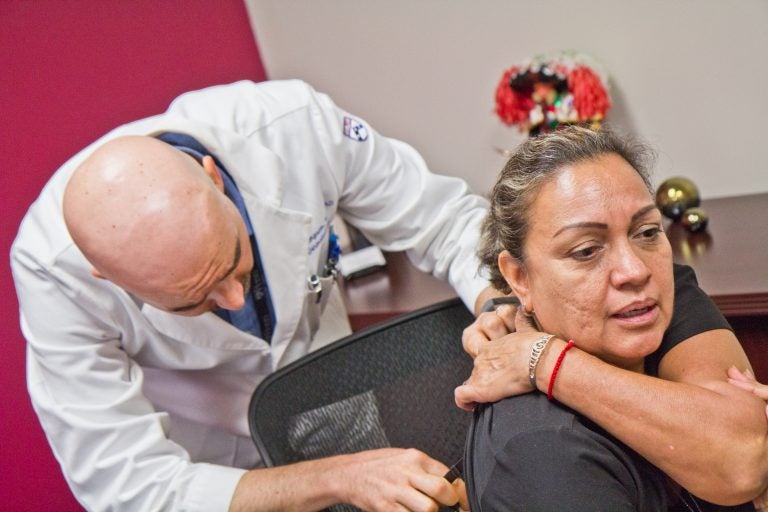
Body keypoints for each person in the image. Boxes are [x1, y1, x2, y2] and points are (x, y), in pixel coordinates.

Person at [11, 80, 485, 511]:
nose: (235, 299)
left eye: (235, 260)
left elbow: (447, 222)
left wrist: (498, 308)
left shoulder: (293, 127)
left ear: (212, 176)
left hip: (332, 388)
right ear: (107, 276)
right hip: (212, 467)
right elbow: (128, 485)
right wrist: (336, 477)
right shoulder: (54, 272)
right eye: (194, 301)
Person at [454, 126, 768, 510]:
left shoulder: (658, 299)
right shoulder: (542, 447)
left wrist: (544, 359)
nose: (634, 270)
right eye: (586, 251)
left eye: (647, 231)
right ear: (519, 279)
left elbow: (741, 452)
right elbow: (745, 467)